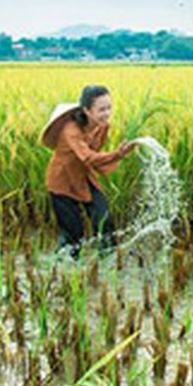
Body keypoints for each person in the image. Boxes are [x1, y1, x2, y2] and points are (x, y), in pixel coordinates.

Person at [41, 85, 137, 257]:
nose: (107, 113)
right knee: (73, 235)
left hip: (84, 177)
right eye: (101, 109)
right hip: (62, 183)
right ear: (87, 110)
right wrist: (118, 154)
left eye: (109, 108)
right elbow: (88, 157)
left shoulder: (102, 126)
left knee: (104, 220)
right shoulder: (71, 130)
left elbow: (94, 153)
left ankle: (108, 264)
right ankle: (63, 272)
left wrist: (115, 158)